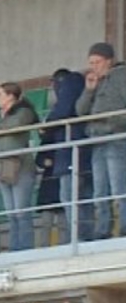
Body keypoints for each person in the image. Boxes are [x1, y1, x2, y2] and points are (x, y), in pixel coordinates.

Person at [0, 82, 38, 251]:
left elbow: (17, 124)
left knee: (21, 210)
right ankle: (15, 247)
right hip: (3, 167)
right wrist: (2, 124)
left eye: (0, 94)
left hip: (21, 166)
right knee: (11, 213)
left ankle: (24, 246)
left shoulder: (25, 111)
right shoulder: (0, 116)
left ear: (11, 96)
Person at [75, 42, 126, 239]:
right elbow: (80, 111)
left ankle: (123, 226)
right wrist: (89, 90)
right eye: (91, 62)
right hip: (97, 141)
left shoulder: (121, 77)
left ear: (109, 61)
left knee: (118, 186)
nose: (93, 66)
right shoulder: (95, 82)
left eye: (97, 62)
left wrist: (111, 121)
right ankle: (103, 228)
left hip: (116, 138)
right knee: (100, 190)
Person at [44, 69, 94, 241]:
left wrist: (48, 125)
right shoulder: (79, 85)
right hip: (81, 151)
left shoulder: (71, 82)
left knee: (70, 196)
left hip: (72, 151)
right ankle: (86, 236)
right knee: (83, 196)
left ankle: (81, 237)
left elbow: (63, 109)